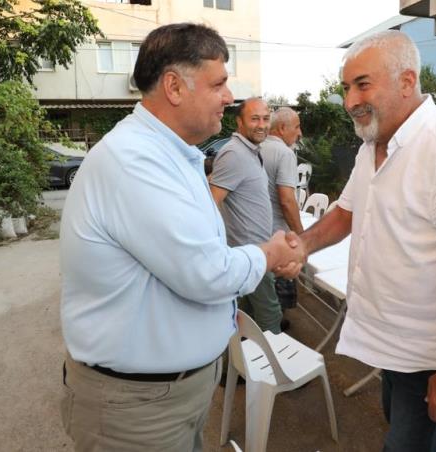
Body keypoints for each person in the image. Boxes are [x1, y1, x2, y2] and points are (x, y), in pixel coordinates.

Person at [59, 23, 303, 452]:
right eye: (219, 84)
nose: (229, 97)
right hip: (138, 410)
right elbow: (206, 273)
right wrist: (269, 252)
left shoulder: (170, 155)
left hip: (168, 394)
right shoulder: (134, 161)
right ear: (174, 86)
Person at [296, 30, 436, 451]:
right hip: (390, 345)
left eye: (363, 84)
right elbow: (346, 212)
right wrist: (302, 246)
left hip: (429, 358)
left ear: (406, 81)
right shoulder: (373, 144)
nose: (349, 101)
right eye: (346, 87)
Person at [209, 97, 286, 333]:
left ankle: (243, 355)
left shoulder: (250, 151)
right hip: (250, 252)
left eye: (265, 119)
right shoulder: (234, 153)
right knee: (271, 313)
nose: (261, 125)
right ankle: (274, 357)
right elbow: (211, 204)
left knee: (247, 315)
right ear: (239, 122)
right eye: (254, 119)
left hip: (255, 250)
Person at [261, 107, 304, 310]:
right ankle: (276, 326)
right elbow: (287, 200)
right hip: (278, 236)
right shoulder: (285, 154)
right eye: (296, 127)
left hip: (256, 234)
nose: (299, 132)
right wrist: (302, 235)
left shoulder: (258, 147)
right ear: (281, 128)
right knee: (276, 303)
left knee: (260, 296)